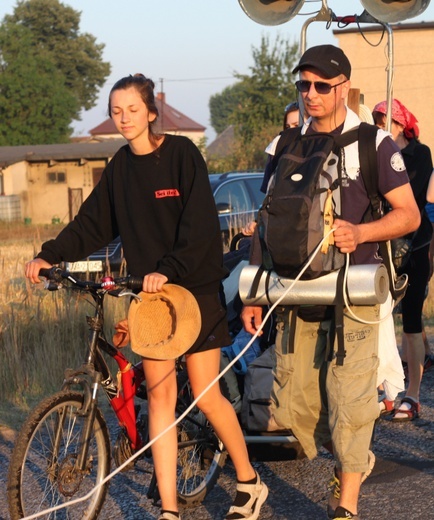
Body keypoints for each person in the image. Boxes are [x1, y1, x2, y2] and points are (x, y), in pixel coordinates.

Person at [25, 74, 268, 520]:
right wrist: (49, 255)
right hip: (152, 300)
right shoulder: (119, 167)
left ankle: (250, 482)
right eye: (116, 111)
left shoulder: (181, 155)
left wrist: (166, 270)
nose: (124, 119)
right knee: (158, 397)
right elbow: (92, 224)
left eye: (132, 110)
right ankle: (171, 511)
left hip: (194, 289)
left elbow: (197, 228)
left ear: (151, 112)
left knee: (205, 394)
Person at [241, 45, 419, 520]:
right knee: (296, 409)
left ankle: (348, 502)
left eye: (322, 85)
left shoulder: (373, 143)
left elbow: (409, 215)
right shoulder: (284, 146)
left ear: (343, 88)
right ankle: (351, 456)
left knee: (350, 400)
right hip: (296, 294)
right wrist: (254, 291)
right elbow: (267, 219)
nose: (311, 94)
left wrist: (360, 232)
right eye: (304, 85)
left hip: (354, 293)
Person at [373, 99, 433, 421]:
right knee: (377, 321)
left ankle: (413, 395)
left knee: (410, 320)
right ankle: (385, 389)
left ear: (398, 124)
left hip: (414, 246)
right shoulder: (376, 152)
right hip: (383, 247)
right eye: (375, 119)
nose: (379, 125)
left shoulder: (418, 154)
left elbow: (416, 198)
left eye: (382, 119)